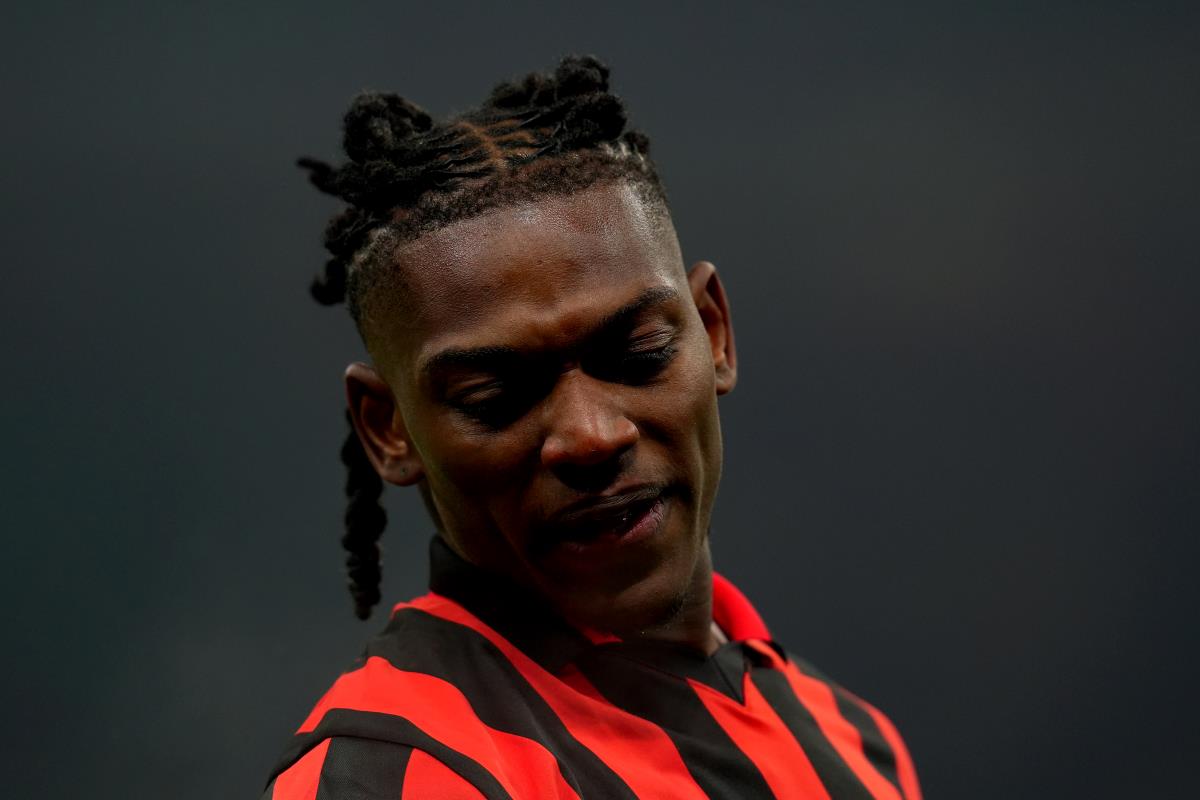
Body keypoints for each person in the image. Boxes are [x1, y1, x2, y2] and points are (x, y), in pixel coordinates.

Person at [263, 55, 922, 800]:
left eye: (639, 354)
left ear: (713, 332)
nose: (590, 435)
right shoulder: (399, 777)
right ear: (389, 430)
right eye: (493, 396)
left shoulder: (857, 743)